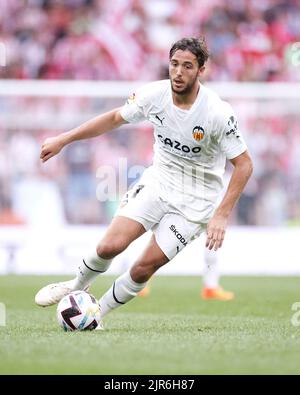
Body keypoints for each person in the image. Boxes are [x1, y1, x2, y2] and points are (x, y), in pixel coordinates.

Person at [35, 37, 253, 329]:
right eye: (174, 64)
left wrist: (222, 214)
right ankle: (75, 285)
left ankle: (96, 314)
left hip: (196, 203)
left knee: (142, 268)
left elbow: (244, 165)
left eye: (187, 66)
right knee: (109, 247)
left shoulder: (217, 112)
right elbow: (113, 118)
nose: (178, 72)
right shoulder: (153, 95)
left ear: (201, 70)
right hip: (158, 183)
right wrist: (64, 139)